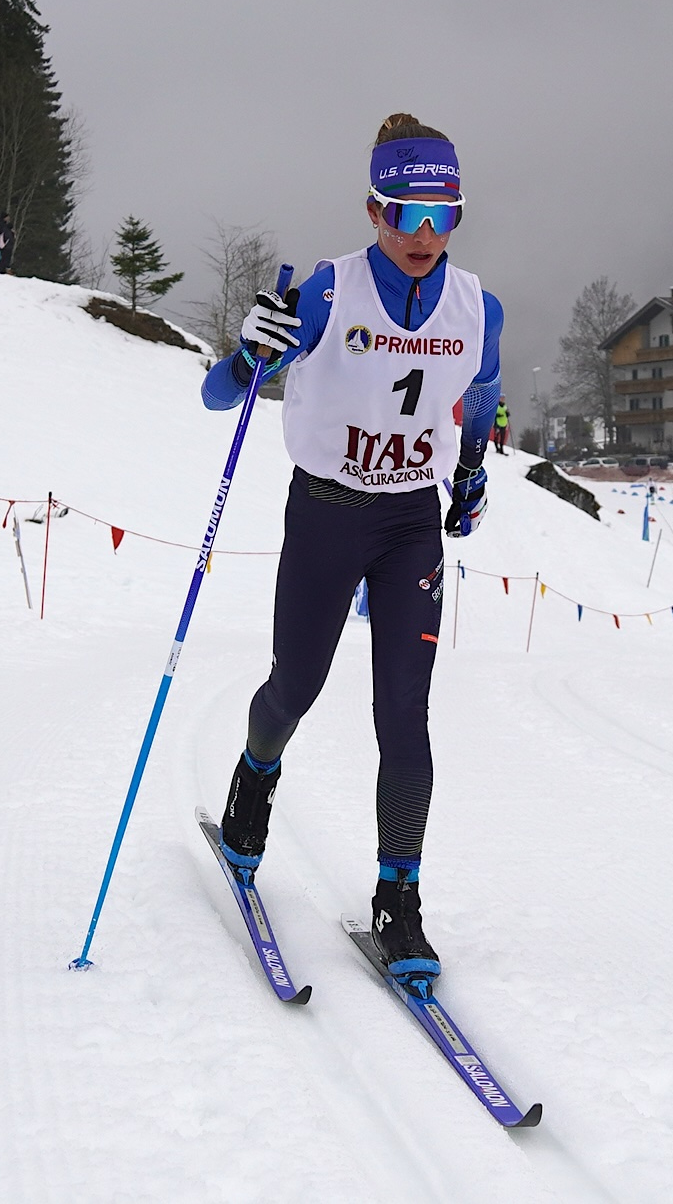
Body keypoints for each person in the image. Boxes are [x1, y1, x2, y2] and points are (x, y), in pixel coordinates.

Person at [200, 113, 502, 991]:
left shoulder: (477, 307)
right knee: (294, 685)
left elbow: (481, 392)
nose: (424, 234)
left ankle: (398, 898)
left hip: (408, 522)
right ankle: (254, 782)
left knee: (405, 713)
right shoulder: (330, 293)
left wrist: (470, 469)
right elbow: (219, 395)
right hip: (328, 512)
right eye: (406, 213)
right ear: (373, 210)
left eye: (443, 215)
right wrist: (250, 353)